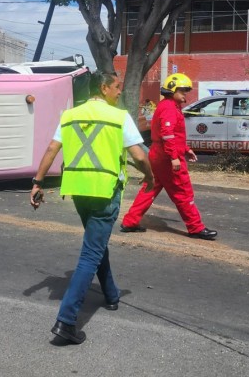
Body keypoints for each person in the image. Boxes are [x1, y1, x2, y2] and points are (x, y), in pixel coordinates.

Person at [30, 71, 154, 345]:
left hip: (78, 192)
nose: (120, 92)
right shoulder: (119, 117)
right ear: (104, 88)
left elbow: (52, 149)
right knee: (90, 254)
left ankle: (111, 294)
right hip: (104, 192)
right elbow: (138, 155)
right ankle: (66, 321)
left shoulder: (70, 115)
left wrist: (37, 182)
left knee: (97, 244)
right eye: (117, 87)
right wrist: (150, 176)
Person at [120, 73, 217, 240]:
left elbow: (173, 134)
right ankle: (195, 227)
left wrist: (186, 149)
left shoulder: (168, 106)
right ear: (172, 89)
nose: (185, 93)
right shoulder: (170, 108)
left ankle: (130, 221)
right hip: (166, 157)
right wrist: (174, 157)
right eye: (182, 90)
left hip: (159, 155)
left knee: (150, 188)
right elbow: (167, 134)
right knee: (183, 191)